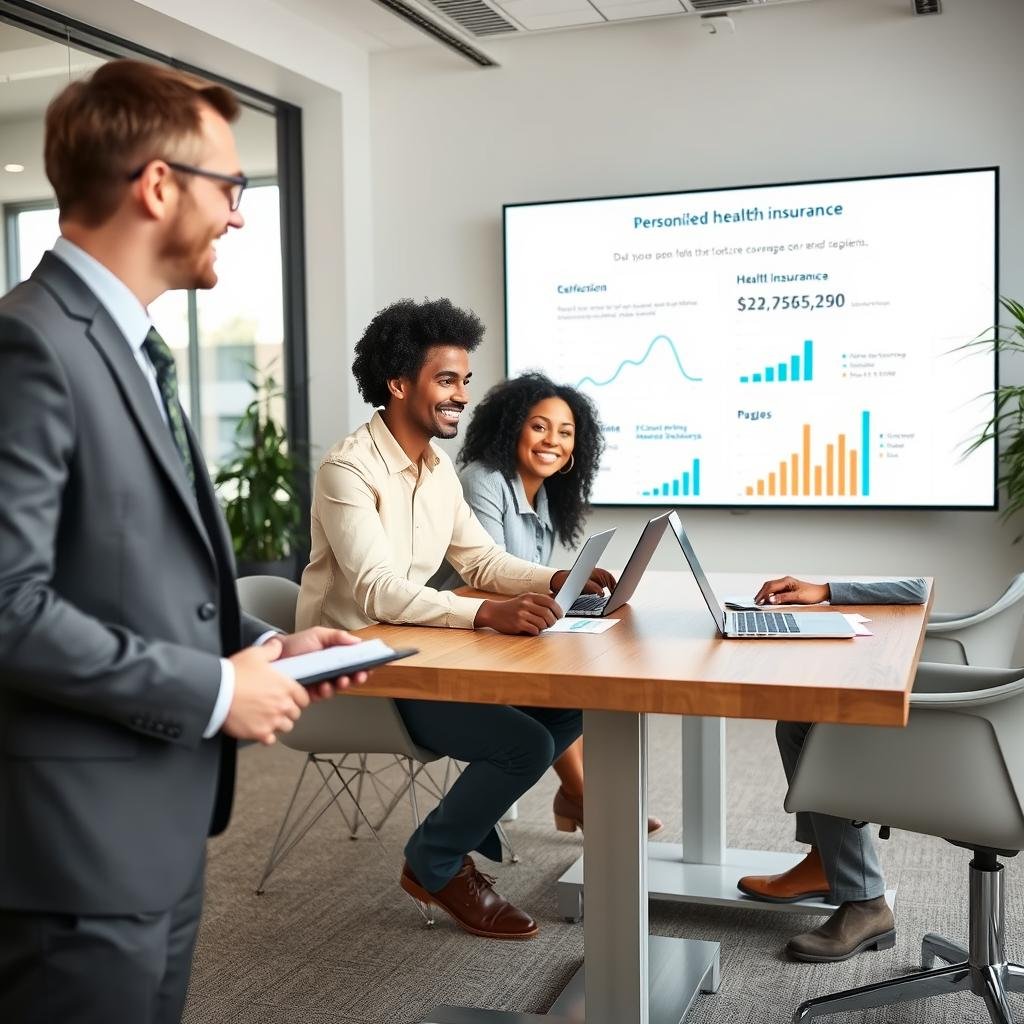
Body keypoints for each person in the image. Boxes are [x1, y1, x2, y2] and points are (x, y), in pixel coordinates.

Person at [0, 60, 365, 1024]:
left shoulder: (125, 345)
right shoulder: (29, 346)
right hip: (67, 858)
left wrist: (262, 646)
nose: (240, 214)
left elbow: (134, 571)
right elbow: (7, 606)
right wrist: (213, 690)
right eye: (231, 187)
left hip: (154, 835)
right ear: (158, 185)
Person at [296, 299, 613, 940]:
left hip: (412, 651)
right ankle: (435, 860)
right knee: (521, 744)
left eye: (465, 381)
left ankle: (452, 841)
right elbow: (379, 591)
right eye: (447, 379)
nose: (461, 395)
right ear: (398, 384)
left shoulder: (437, 469)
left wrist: (555, 579)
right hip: (355, 664)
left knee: (570, 704)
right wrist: (484, 613)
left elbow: (482, 558)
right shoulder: (347, 469)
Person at [430, 372, 663, 835]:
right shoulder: (483, 480)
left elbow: (524, 580)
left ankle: (580, 795)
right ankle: (581, 796)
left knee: (588, 664)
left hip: (501, 631)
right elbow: (488, 577)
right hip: (459, 631)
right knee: (570, 685)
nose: (552, 440)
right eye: (539, 426)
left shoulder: (546, 492)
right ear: (511, 426)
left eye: (565, 431)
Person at [736, 575, 929, 963]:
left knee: (822, 733)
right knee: (797, 724)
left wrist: (825, 591)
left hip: (961, 747)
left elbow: (919, 589)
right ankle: (824, 861)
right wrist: (824, 592)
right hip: (979, 732)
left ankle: (866, 902)